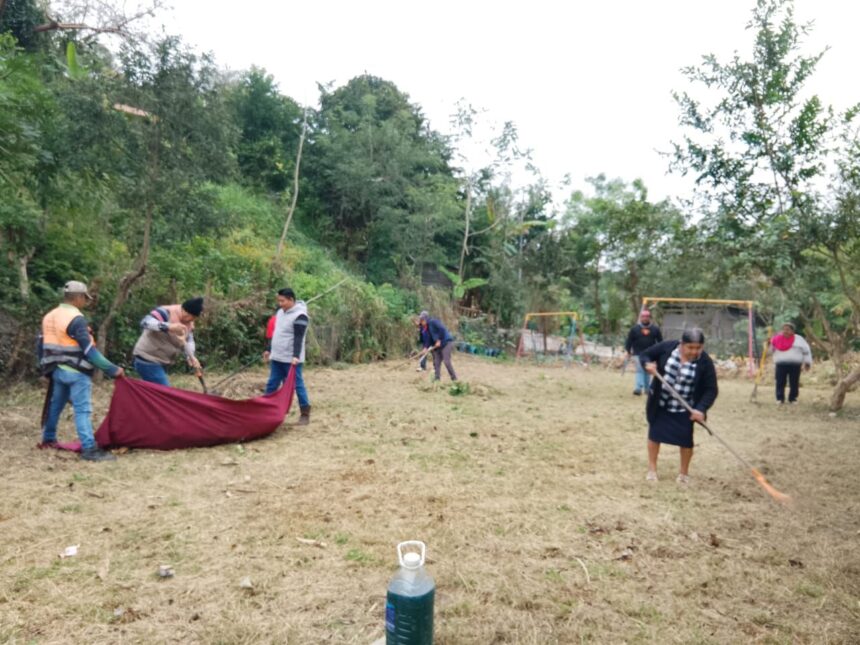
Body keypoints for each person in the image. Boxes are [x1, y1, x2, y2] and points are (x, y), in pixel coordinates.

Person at [37, 280, 125, 462]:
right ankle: (89, 449)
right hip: (76, 372)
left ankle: (48, 438)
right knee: (82, 410)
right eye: (85, 298)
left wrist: (44, 370)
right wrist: (112, 369)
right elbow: (89, 350)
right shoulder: (76, 319)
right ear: (77, 297)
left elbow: (40, 345)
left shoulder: (49, 316)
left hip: (56, 370)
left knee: (55, 406)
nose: (86, 301)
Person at [640, 328, 718, 485]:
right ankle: (652, 470)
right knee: (654, 436)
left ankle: (683, 474)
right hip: (661, 403)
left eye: (698, 348)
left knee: (686, 441)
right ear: (682, 344)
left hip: (685, 407)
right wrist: (647, 364)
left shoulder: (705, 362)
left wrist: (701, 408)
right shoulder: (667, 347)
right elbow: (645, 355)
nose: (694, 351)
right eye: (690, 347)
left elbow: (711, 389)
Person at [263, 288, 311, 425]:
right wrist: (269, 349)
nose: (280, 304)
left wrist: (295, 356)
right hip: (277, 356)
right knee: (272, 384)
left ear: (291, 300)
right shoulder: (280, 312)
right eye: (279, 301)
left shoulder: (300, 316)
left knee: (297, 385)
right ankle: (265, 410)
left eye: (282, 301)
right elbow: (276, 333)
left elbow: (299, 338)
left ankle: (305, 413)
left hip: (291, 360)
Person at [131, 297, 203, 386]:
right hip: (147, 359)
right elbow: (145, 322)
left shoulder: (189, 323)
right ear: (184, 310)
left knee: (154, 391)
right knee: (165, 391)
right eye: (191, 316)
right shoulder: (165, 312)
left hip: (162, 362)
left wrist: (190, 356)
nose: (191, 320)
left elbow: (189, 340)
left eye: (194, 318)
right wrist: (168, 327)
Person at [771, 322, 812, 405]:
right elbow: (770, 350)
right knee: (780, 382)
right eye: (784, 329)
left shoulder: (799, 339)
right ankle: (780, 398)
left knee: (794, 382)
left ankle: (793, 398)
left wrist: (807, 362)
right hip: (781, 364)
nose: (785, 331)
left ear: (793, 331)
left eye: (788, 329)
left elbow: (806, 351)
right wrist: (768, 344)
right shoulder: (776, 339)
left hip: (795, 365)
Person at [625, 308, 663, 396]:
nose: (645, 318)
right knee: (640, 369)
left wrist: (660, 352)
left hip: (650, 354)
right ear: (640, 318)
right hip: (637, 353)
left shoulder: (655, 329)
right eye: (643, 316)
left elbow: (660, 342)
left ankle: (647, 389)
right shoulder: (634, 329)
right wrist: (628, 350)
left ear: (649, 317)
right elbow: (629, 341)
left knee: (647, 370)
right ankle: (638, 388)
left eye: (647, 316)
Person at [419, 311, 457, 381]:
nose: (421, 322)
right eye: (421, 320)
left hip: (446, 343)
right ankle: (437, 380)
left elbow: (442, 329)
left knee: (446, 361)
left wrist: (438, 340)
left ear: (426, 319)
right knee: (436, 363)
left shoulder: (433, 322)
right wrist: (425, 348)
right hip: (438, 346)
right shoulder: (425, 328)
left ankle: (454, 379)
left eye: (422, 320)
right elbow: (428, 340)